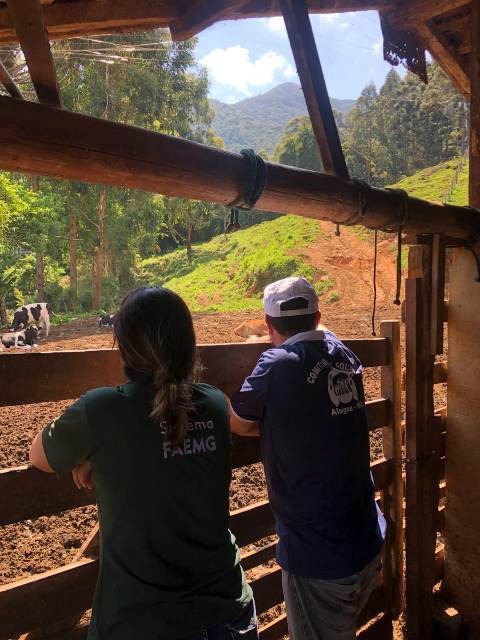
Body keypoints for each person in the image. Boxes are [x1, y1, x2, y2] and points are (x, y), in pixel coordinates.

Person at [29, 286, 257, 640]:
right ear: (189, 342)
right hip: (230, 612)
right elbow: (167, 442)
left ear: (123, 347)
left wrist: (97, 454)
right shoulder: (213, 403)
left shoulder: (102, 410)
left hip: (142, 623)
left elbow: (38, 456)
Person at [228, 276, 386, 640]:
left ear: (268, 326)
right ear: (318, 317)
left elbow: (238, 421)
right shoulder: (342, 353)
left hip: (320, 560)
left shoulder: (277, 364)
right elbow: (322, 333)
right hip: (367, 541)